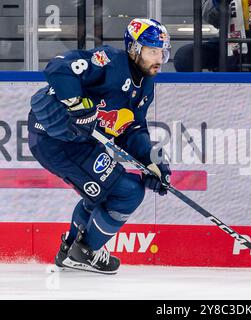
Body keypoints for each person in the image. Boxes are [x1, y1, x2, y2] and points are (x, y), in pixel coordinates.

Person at [27, 18, 172, 274]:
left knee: (104, 193)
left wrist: (151, 161)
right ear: (133, 49)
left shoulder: (146, 85)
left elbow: (132, 128)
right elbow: (59, 66)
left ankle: (71, 248)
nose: (158, 58)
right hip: (55, 140)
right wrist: (76, 103)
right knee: (127, 192)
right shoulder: (109, 62)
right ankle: (86, 251)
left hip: (79, 143)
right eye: (151, 51)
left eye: (162, 52)